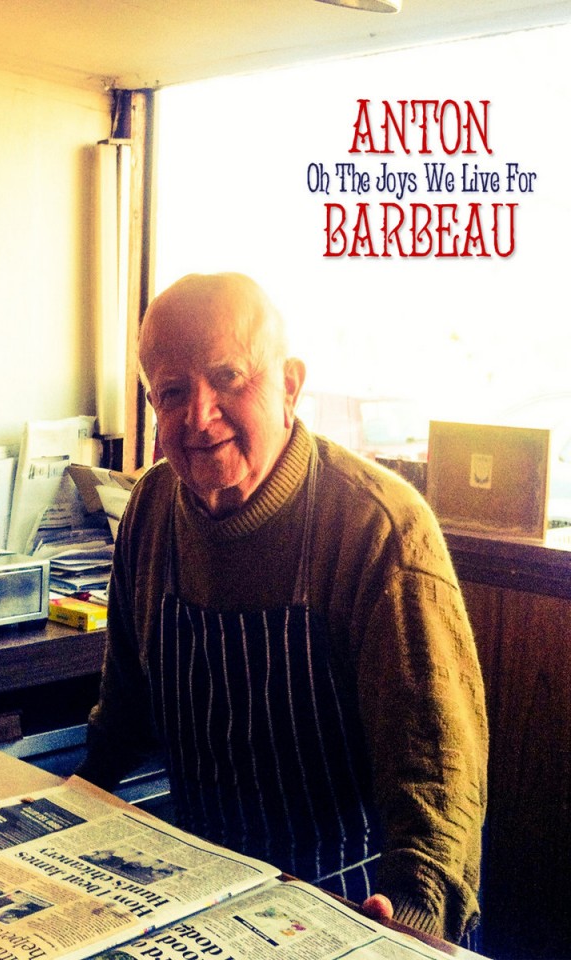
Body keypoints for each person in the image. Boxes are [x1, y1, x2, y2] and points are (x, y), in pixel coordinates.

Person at [75, 272, 488, 945]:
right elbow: (122, 715)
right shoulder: (150, 509)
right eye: (172, 392)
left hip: (352, 905)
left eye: (228, 378)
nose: (199, 416)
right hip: (203, 900)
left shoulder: (378, 528)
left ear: (290, 386)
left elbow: (437, 782)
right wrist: (67, 809)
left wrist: (409, 920)